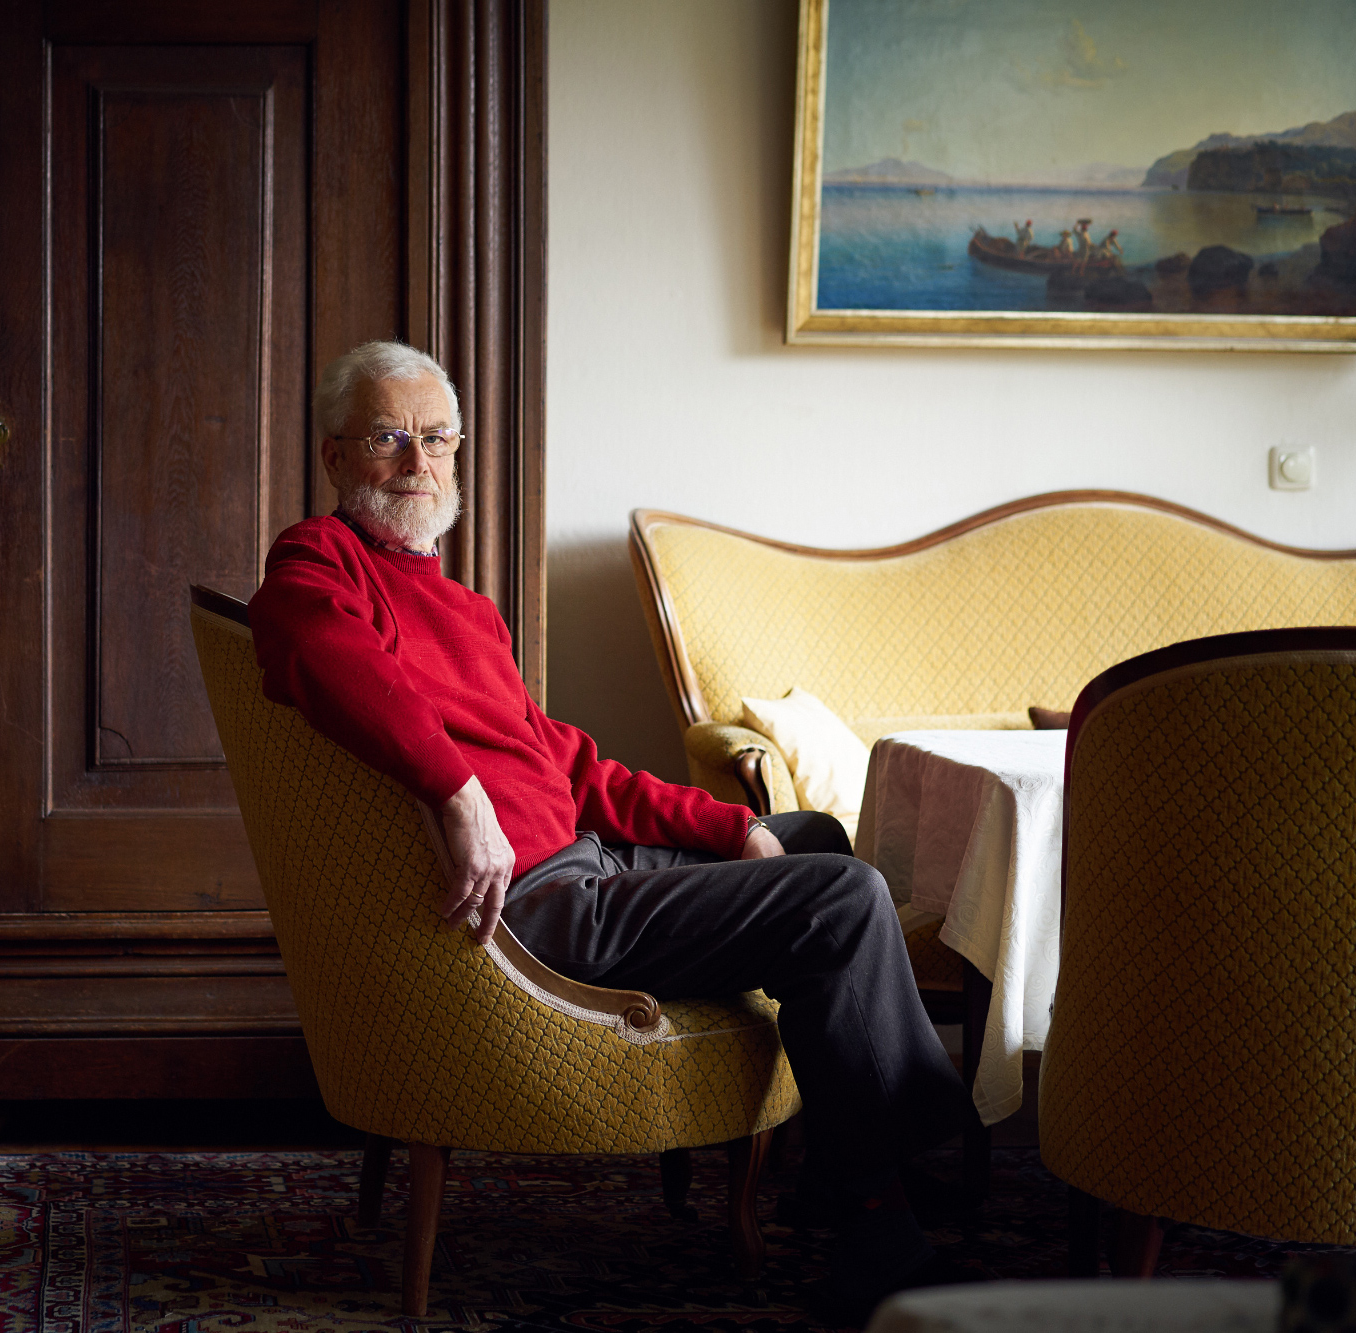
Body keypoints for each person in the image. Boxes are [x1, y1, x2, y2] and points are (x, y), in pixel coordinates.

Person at [247, 341, 980, 1320]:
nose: (417, 463)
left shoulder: (462, 607)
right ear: (336, 458)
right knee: (840, 898)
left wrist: (731, 826)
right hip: (535, 908)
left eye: (435, 438)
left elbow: (564, 761)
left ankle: (842, 1162)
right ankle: (878, 1219)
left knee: (808, 838)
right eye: (387, 438)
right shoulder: (316, 562)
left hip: (584, 865)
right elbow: (324, 654)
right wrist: (458, 794)